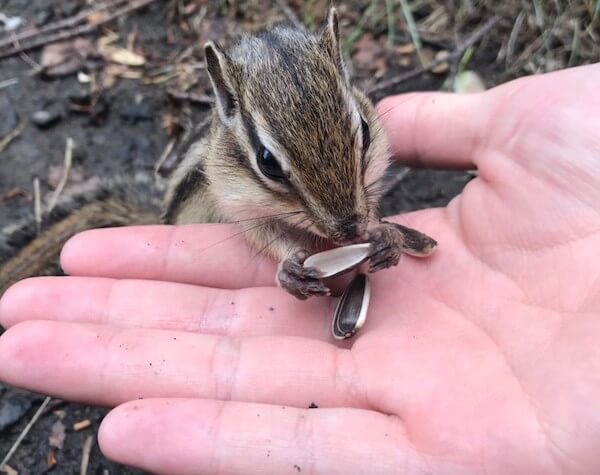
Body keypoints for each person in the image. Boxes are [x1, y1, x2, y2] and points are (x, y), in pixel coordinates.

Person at [1, 62, 599, 475]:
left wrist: (371, 227)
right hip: (227, 222)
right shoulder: (236, 168)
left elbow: (350, 196)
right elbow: (253, 221)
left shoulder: (355, 131)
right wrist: (286, 257)